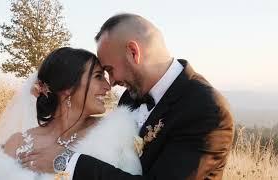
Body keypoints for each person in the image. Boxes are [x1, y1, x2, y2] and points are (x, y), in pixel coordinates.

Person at [21, 13, 234, 179]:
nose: (111, 83)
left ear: (134, 52)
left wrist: (67, 163)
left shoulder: (206, 109)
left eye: (110, 70)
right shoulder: (130, 98)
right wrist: (52, 99)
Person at [0, 47, 142, 180]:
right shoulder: (18, 143)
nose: (108, 86)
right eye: (98, 76)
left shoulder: (117, 132)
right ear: (68, 87)